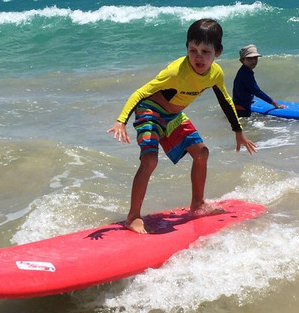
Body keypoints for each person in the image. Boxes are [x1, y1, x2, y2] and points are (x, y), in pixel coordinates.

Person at [107, 19, 257, 234]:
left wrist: (238, 132)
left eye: (205, 51)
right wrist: (121, 120)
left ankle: (197, 203)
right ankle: (132, 217)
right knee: (149, 160)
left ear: (218, 52)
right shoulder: (175, 71)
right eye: (192, 50)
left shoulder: (215, 74)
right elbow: (141, 92)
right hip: (150, 110)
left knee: (201, 153)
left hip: (173, 115)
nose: (198, 56)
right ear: (186, 48)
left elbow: (225, 99)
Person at [231, 43, 285, 115]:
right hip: (241, 109)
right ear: (242, 61)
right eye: (250, 58)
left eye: (255, 58)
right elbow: (257, 91)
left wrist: (249, 99)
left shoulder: (243, 70)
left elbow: (242, 89)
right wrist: (274, 103)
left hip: (238, 104)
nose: (253, 61)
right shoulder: (246, 74)